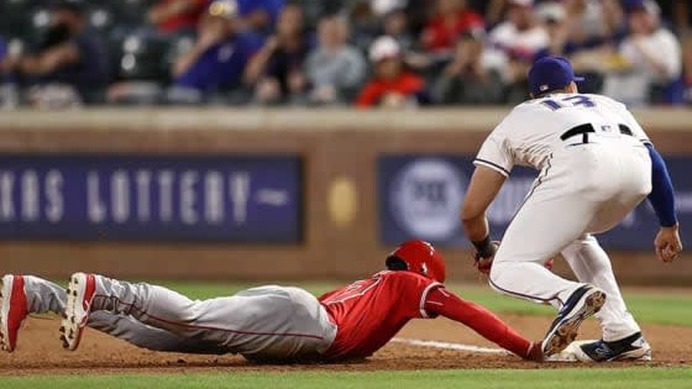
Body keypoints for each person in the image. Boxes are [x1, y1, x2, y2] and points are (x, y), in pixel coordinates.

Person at [459, 56, 682, 362]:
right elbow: (654, 162)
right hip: (637, 176)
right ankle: (623, 334)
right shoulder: (609, 103)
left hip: (582, 168)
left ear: (533, 94)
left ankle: (570, 295)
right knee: (578, 236)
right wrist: (668, 223)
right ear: (571, 86)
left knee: (504, 271)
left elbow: (471, 212)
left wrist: (486, 250)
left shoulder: (519, 115)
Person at [0, 241, 544, 363]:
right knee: (187, 315)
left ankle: (37, 292)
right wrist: (526, 348)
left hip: (290, 311)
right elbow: (470, 311)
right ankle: (104, 287)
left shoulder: (372, 286)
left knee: (167, 333)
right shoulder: (406, 288)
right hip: (306, 322)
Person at [3, 1, 109, 106]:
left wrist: (19, 63)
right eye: (57, 13)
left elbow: (47, 62)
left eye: (63, 13)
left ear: (74, 17)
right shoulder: (55, 39)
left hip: (83, 95)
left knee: (51, 95)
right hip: (53, 91)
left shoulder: (85, 40)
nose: (57, 18)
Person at [171, 0, 263, 99]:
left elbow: (249, 78)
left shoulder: (243, 42)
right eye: (214, 20)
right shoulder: (193, 38)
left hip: (219, 98)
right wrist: (201, 46)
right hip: (184, 94)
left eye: (223, 21)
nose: (218, 25)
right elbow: (176, 71)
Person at [602, 0, 681, 106]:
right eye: (634, 16)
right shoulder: (628, 42)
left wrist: (645, 50)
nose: (638, 20)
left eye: (643, 15)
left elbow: (671, 73)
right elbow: (617, 66)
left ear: (655, 17)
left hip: (650, 99)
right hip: (618, 98)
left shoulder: (665, 38)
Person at [244, 3, 310, 105]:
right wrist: (267, 50)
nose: (290, 24)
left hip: (302, 96)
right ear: (278, 23)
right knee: (268, 87)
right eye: (286, 20)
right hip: (271, 96)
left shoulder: (307, 45)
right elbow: (249, 77)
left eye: (294, 20)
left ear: (301, 23)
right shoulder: (270, 45)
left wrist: (304, 80)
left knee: (297, 82)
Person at [303, 15, 366, 105]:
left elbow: (358, 86)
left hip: (342, 105)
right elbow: (308, 83)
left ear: (337, 32)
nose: (327, 34)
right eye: (323, 31)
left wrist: (337, 91)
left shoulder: (353, 57)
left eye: (330, 31)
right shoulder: (313, 57)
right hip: (314, 105)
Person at [356, 36, 427, 108]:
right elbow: (360, 110)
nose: (389, 66)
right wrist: (379, 103)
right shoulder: (371, 89)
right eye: (383, 62)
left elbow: (427, 103)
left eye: (392, 61)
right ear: (376, 66)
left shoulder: (413, 83)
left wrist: (406, 101)